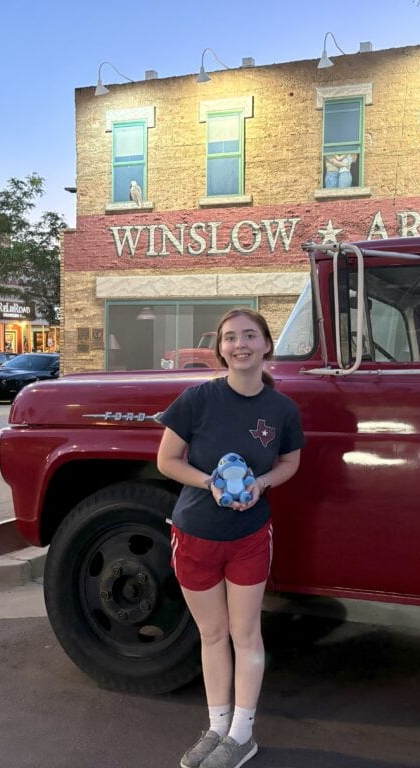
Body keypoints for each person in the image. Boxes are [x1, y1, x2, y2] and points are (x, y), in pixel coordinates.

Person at [156, 309, 304, 768]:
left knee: (246, 634)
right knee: (213, 634)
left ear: (266, 345)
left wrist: (260, 485)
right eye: (231, 338)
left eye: (250, 336)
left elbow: (289, 463)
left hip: (249, 536)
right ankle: (217, 726)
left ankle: (242, 734)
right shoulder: (196, 399)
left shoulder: (282, 409)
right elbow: (167, 460)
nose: (240, 344)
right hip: (195, 536)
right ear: (220, 348)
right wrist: (210, 484)